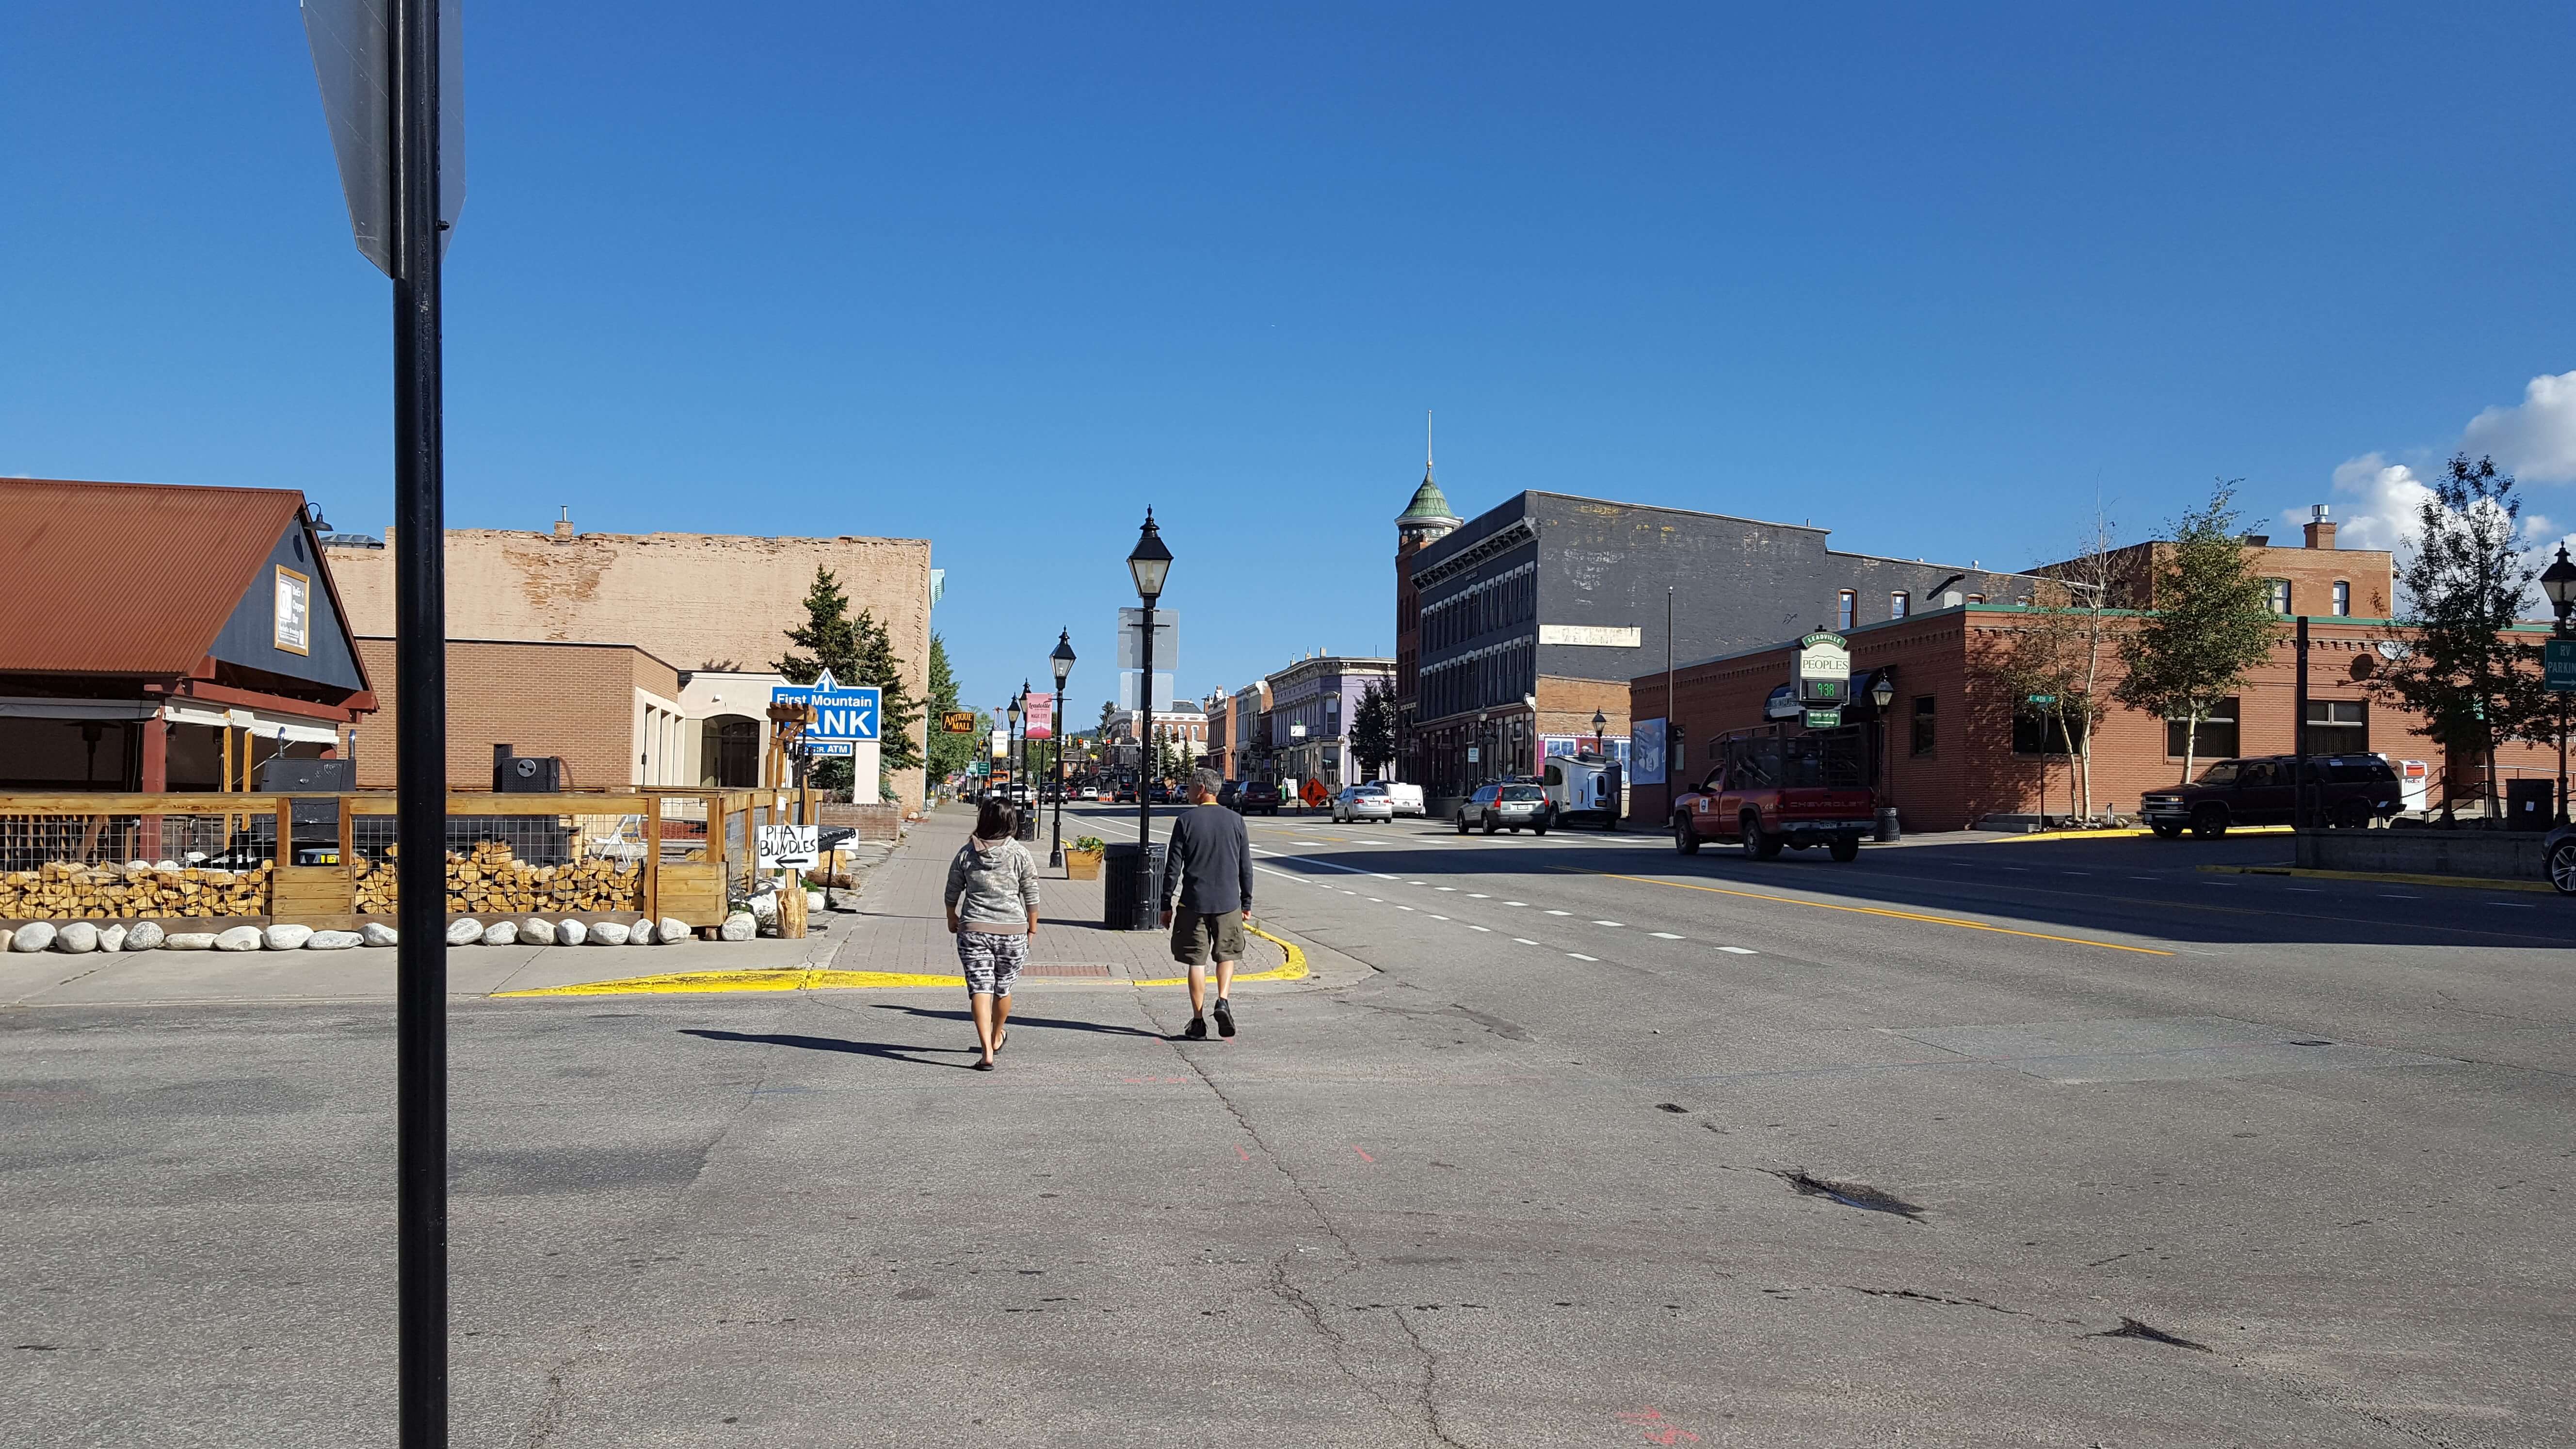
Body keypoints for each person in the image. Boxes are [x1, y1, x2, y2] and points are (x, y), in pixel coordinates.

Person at [944, 799, 1041, 1071]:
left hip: (974, 929)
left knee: (980, 988)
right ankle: (998, 1034)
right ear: (1011, 822)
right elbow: (1031, 894)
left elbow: (952, 890)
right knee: (1003, 987)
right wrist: (1032, 927)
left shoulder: (967, 853)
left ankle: (986, 1050)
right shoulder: (1020, 854)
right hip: (1013, 931)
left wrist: (952, 916)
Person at [1160, 767, 1254, 1040]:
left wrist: (1166, 902)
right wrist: (1246, 901)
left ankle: (1198, 1020)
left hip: (1193, 902)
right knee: (1227, 955)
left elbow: (1173, 867)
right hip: (1228, 902)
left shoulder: (1185, 821)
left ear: (1201, 789)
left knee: (1196, 961)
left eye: (1190, 786)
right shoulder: (1236, 821)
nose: (1188, 790)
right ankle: (1223, 1000)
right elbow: (1245, 867)